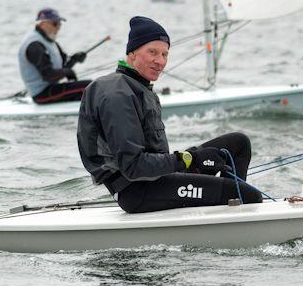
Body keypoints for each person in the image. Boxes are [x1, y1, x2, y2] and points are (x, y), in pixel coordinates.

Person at [77, 15, 262, 214]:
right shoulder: (117, 94)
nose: (160, 61)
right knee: (250, 196)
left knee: (239, 143)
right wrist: (189, 158)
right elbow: (133, 167)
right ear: (132, 53)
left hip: (156, 178)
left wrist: (190, 158)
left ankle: (225, 205)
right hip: (137, 191)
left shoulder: (137, 86)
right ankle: (231, 199)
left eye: (165, 54)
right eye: (152, 52)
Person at [18, 8, 90, 104]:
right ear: (42, 24)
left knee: (92, 86)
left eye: (60, 24)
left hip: (52, 89)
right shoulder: (34, 45)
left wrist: (75, 59)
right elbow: (49, 75)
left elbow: (64, 66)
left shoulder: (49, 41)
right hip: (41, 95)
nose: (58, 27)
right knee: (90, 87)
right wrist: (67, 72)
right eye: (55, 24)